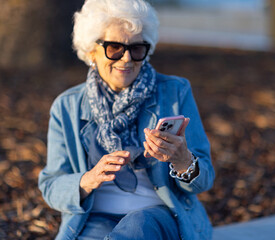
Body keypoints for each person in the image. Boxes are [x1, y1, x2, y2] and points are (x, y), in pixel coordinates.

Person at [38, 0, 215, 239]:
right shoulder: (66, 106)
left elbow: (203, 182)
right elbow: (51, 186)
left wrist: (183, 160)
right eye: (114, 48)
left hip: (161, 216)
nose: (126, 59)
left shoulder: (175, 92)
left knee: (138, 224)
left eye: (136, 49)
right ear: (92, 51)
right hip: (95, 217)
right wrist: (88, 179)